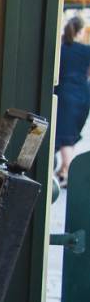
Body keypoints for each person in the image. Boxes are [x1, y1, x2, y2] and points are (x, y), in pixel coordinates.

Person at [54, 15, 90, 188]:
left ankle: (64, 170)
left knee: (65, 135)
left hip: (64, 94)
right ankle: (66, 171)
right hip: (82, 96)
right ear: (81, 31)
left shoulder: (60, 49)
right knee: (70, 134)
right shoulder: (86, 51)